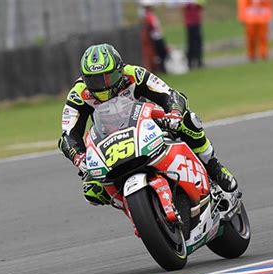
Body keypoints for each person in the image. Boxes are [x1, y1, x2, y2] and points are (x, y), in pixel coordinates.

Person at [58, 43, 237, 206]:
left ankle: (214, 167)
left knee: (188, 120)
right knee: (92, 190)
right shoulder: (78, 94)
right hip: (110, 142)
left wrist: (174, 113)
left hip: (148, 124)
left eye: (107, 77)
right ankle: (136, 209)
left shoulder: (134, 74)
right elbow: (68, 135)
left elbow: (169, 94)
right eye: (94, 80)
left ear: (119, 70)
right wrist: (79, 158)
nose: (102, 86)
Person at [142, 5, 169, 73]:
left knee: (161, 54)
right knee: (161, 54)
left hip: (157, 36)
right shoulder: (149, 16)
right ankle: (161, 68)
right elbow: (152, 26)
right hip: (156, 37)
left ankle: (161, 68)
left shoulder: (151, 16)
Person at [183, 0, 205, 68]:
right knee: (191, 43)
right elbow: (183, 8)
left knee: (198, 42)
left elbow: (201, 7)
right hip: (190, 24)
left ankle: (199, 61)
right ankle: (190, 61)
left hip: (196, 22)